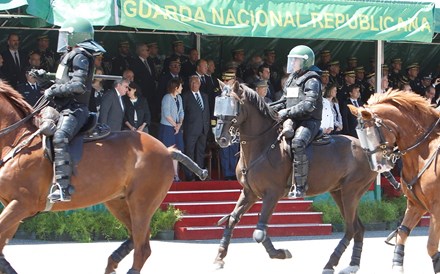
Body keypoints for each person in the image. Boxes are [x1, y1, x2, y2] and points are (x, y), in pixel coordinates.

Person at [43, 17, 106, 202]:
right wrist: (43, 78)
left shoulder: (81, 55)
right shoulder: (72, 54)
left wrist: (54, 89)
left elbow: (78, 86)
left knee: (60, 136)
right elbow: (63, 81)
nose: (64, 39)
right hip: (62, 106)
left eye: (67, 35)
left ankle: (63, 187)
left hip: (75, 109)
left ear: (76, 36)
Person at [276, 45, 322, 199]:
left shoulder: (312, 79)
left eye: (296, 60)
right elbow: (284, 101)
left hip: (309, 121)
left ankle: (300, 186)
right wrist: (266, 108)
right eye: (292, 60)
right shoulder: (292, 78)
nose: (293, 63)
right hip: (293, 119)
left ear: (305, 62)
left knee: (298, 143)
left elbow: (308, 106)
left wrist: (286, 112)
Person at [159, 78, 184, 181]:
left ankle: (175, 174)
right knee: (168, 152)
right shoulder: (167, 98)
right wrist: (175, 125)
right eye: (181, 86)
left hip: (176, 128)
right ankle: (168, 175)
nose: (182, 88)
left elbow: (182, 111)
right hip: (167, 128)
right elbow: (166, 114)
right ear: (176, 87)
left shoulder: (179, 98)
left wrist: (180, 124)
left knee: (177, 151)